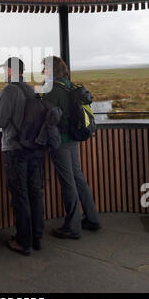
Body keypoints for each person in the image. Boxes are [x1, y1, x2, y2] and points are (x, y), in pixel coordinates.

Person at [41, 56, 101, 239]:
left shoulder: (52, 90)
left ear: (51, 70)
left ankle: (73, 227)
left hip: (61, 141)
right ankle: (92, 218)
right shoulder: (70, 85)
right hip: (74, 138)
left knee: (68, 182)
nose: (43, 72)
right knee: (78, 177)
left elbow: (49, 117)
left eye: (44, 68)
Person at [0, 57, 44, 255]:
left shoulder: (9, 90)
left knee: (20, 195)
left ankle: (23, 241)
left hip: (15, 148)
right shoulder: (29, 89)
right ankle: (37, 237)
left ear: (11, 71)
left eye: (5, 69)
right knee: (34, 192)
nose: (4, 73)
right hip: (33, 148)